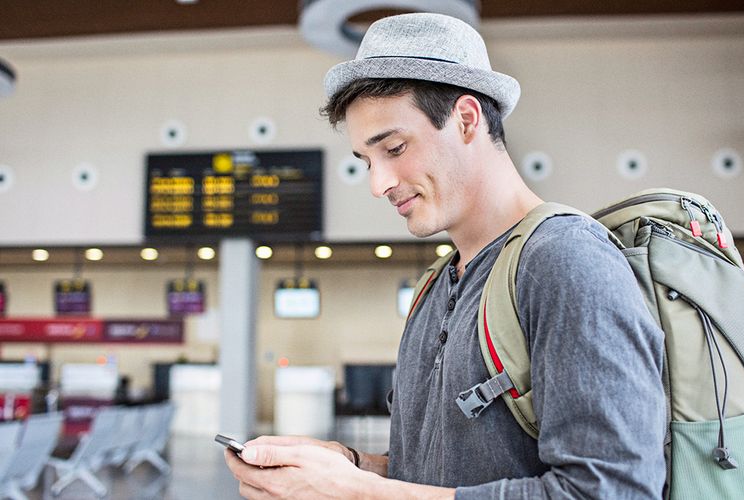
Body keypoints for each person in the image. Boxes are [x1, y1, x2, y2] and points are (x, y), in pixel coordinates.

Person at [225, 12, 666, 499]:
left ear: (466, 119)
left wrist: (353, 493)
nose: (379, 184)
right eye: (368, 162)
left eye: (393, 148)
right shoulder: (438, 284)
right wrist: (351, 466)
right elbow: (442, 472)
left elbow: (611, 491)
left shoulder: (564, 260)